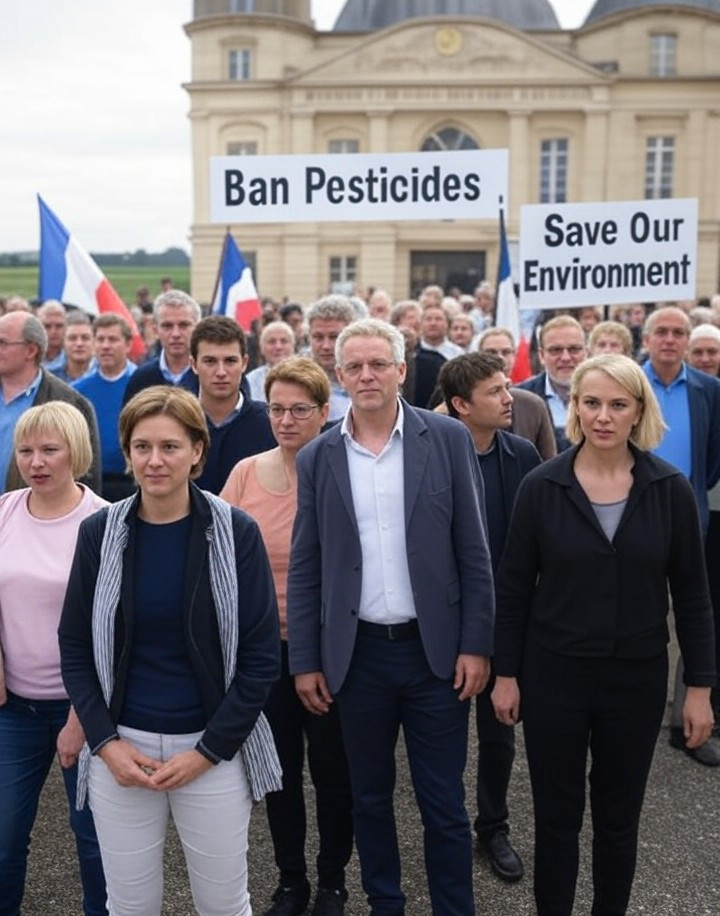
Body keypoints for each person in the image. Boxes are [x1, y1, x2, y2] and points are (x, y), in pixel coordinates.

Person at [492, 354, 716, 916]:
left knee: (618, 822)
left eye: (618, 404)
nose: (603, 416)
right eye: (591, 402)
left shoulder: (670, 490)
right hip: (554, 677)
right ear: (574, 407)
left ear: (639, 410)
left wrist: (699, 689)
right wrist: (506, 674)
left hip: (635, 679)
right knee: (556, 820)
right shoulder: (542, 486)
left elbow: (692, 595)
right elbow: (514, 587)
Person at [288, 318, 495, 916]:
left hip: (436, 655)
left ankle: (454, 907)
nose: (366, 375)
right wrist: (305, 660)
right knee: (369, 798)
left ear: (403, 370)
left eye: (378, 363)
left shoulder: (447, 439)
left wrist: (476, 644)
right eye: (353, 366)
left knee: (443, 803)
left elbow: (473, 551)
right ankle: (386, 902)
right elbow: (307, 566)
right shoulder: (319, 455)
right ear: (338, 373)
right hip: (358, 658)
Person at [58, 386, 281, 916]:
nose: (154, 460)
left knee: (223, 904)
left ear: (198, 451)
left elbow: (261, 655)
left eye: (170, 446)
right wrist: (105, 743)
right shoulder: (99, 533)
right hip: (121, 751)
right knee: (129, 905)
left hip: (212, 749)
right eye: (141, 447)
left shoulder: (236, 532)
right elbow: (74, 643)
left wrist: (208, 752)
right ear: (128, 453)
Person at [221, 358, 353, 916]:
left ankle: (333, 882)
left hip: (332, 649)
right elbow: (220, 556)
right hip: (264, 652)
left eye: (301, 409)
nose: (286, 419)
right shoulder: (247, 473)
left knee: (333, 773)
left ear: (326, 412)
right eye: (276, 408)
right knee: (278, 775)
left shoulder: (345, 472)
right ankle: (291, 881)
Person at [438, 352, 541, 885]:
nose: (510, 399)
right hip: (444, 619)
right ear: (461, 405)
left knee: (500, 729)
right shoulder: (430, 451)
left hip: (506, 616)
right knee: (445, 730)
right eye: (497, 391)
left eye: (508, 387)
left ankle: (493, 826)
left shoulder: (521, 453)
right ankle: (448, 825)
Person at [0, 401, 107, 916]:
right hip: (11, 710)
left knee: (95, 842)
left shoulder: (106, 522)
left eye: (49, 450)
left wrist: (81, 718)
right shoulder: (2, 511)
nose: (35, 461)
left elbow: (112, 631)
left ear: (76, 452)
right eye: (26, 450)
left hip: (85, 710)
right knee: (2, 841)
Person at [641, 306, 720, 765]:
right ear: (648, 338)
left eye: (679, 333)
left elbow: (712, 458)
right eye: (662, 332)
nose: (670, 339)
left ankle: (685, 721)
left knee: (693, 616)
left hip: (688, 518)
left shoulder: (709, 390)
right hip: (631, 518)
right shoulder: (628, 381)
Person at [0, 312, 101, 495]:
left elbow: (86, 477)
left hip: (38, 519)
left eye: (2, 343)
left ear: (31, 350)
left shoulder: (70, 403)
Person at [190, 316, 276, 494]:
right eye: (210, 361)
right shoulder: (178, 422)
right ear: (194, 364)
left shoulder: (270, 423)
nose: (221, 372)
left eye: (230, 361)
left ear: (244, 363)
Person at [73, 315, 137, 501]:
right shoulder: (78, 390)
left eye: (113, 339)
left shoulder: (143, 383)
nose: (106, 345)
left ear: (128, 345)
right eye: (100, 339)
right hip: (92, 482)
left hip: (134, 480)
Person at [478, 327, 557, 461]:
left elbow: (548, 460)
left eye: (506, 352)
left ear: (515, 356)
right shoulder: (466, 399)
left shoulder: (533, 404)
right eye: (491, 352)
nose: (499, 358)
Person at [517, 315, 588, 453]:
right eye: (556, 350)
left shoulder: (605, 395)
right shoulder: (519, 399)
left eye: (574, 349)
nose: (566, 358)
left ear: (586, 352)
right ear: (542, 356)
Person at [122, 290, 201, 404]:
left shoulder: (210, 376)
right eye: (167, 326)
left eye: (184, 325)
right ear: (156, 330)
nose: (176, 334)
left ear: (197, 328)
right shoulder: (141, 379)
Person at [306, 295, 356, 421]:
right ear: (309, 338)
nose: (326, 346)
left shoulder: (368, 378)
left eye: (334, 337)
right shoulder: (296, 381)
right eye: (318, 337)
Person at [245, 320, 296, 402]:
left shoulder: (309, 377)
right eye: (272, 342)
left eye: (284, 341)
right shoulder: (250, 381)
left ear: (293, 346)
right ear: (262, 348)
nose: (278, 347)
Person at [50, 310, 96, 384]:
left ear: (94, 342)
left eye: (85, 338)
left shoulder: (105, 376)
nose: (79, 344)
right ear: (63, 342)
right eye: (72, 338)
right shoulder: (50, 379)